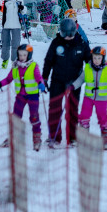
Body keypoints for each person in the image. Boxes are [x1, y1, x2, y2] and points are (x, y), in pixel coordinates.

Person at [42, 18, 91, 146]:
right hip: (57, 80)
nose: (68, 37)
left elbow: (90, 61)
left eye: (70, 34)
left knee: (72, 109)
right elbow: (48, 61)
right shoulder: (56, 43)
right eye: (65, 34)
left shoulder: (81, 43)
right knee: (55, 109)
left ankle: (72, 137)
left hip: (75, 82)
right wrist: (45, 78)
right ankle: (54, 136)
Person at [0, 44, 47, 150]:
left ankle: (37, 138)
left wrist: (41, 84)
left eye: (24, 55)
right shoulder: (15, 67)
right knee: (16, 117)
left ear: (29, 55)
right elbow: (8, 79)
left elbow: (39, 77)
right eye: (20, 55)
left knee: (34, 117)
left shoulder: (33, 66)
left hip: (32, 96)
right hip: (21, 96)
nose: (22, 57)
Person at [75, 46, 107, 150]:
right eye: (94, 58)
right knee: (84, 116)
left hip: (101, 98)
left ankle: (105, 138)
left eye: (99, 58)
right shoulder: (87, 68)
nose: (96, 60)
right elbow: (80, 79)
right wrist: (72, 86)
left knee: (102, 117)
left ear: (103, 58)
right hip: (88, 97)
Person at [0, 0, 25, 68]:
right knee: (5, 43)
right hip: (6, 24)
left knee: (16, 44)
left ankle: (15, 61)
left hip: (16, 25)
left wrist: (22, 8)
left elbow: (24, 12)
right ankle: (5, 60)